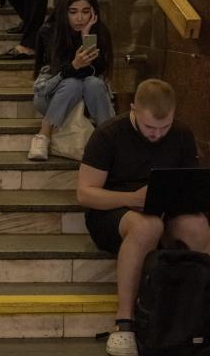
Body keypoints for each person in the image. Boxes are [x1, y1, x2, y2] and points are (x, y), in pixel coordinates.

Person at [77, 79, 210, 356]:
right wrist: (131, 199)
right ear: (133, 109)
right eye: (150, 127)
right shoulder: (108, 134)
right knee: (146, 226)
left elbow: (190, 183)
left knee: (197, 225)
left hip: (165, 209)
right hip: (113, 212)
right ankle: (124, 323)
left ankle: (199, 316)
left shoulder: (182, 133)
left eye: (164, 127)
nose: (157, 135)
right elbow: (86, 194)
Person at [28, 0, 115, 161]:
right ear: (63, 12)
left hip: (87, 100)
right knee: (72, 83)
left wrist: (86, 39)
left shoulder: (99, 31)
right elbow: (45, 88)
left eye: (85, 11)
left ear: (93, 12)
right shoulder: (49, 32)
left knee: (93, 83)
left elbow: (96, 72)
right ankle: (43, 135)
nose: (80, 18)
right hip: (49, 98)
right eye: (73, 12)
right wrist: (74, 66)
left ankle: (112, 138)